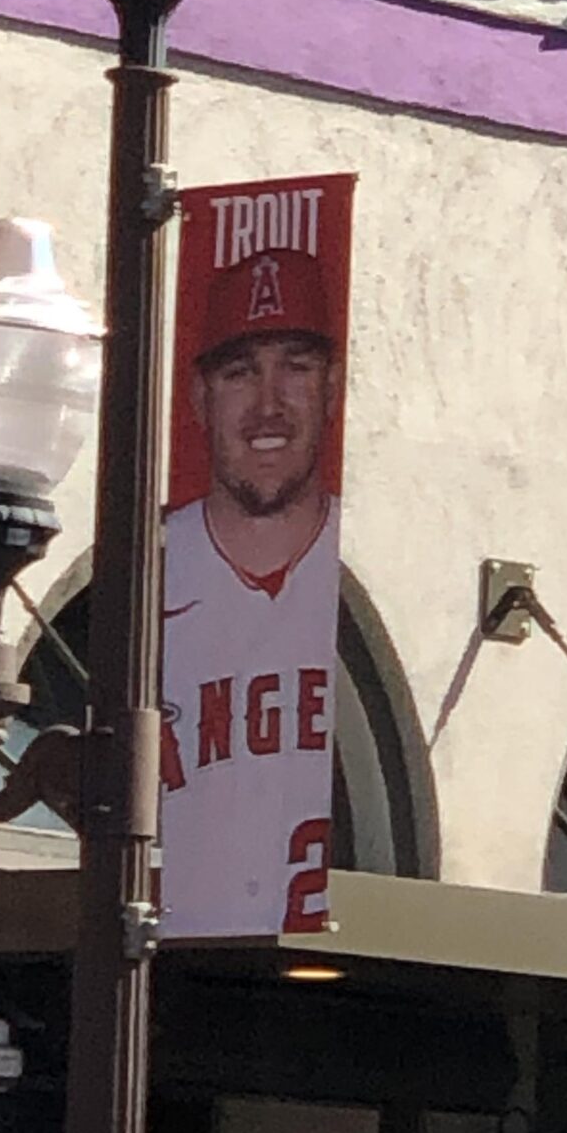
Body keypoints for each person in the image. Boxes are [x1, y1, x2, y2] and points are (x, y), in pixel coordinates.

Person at [160, 244, 343, 935]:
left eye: (295, 367)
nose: (269, 404)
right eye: (240, 373)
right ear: (200, 399)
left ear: (332, 386)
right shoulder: (157, 566)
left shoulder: (341, 558)